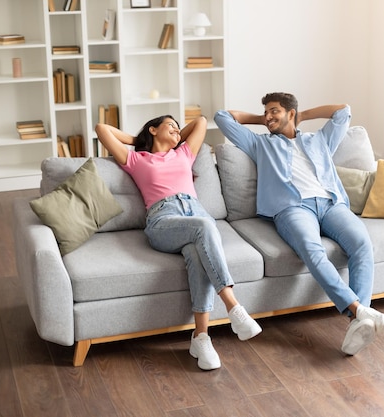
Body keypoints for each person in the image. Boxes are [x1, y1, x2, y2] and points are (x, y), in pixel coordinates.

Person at [214, 92, 384, 355]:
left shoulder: (319, 139)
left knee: (362, 244)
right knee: (312, 250)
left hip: (331, 203)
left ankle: (359, 321)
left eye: (274, 111)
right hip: (292, 208)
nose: (268, 116)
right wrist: (264, 120)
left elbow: (343, 111)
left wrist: (300, 116)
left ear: (291, 113)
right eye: (266, 112)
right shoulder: (261, 144)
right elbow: (223, 117)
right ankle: (358, 310)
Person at [95, 115, 262, 371]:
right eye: (169, 125)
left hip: (194, 214)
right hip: (163, 220)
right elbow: (102, 128)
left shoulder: (184, 153)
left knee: (197, 255)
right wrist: (139, 139)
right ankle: (233, 306)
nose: (176, 130)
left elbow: (202, 122)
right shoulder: (136, 159)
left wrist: (174, 136)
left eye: (177, 127)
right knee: (206, 226)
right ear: (153, 129)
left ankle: (201, 338)